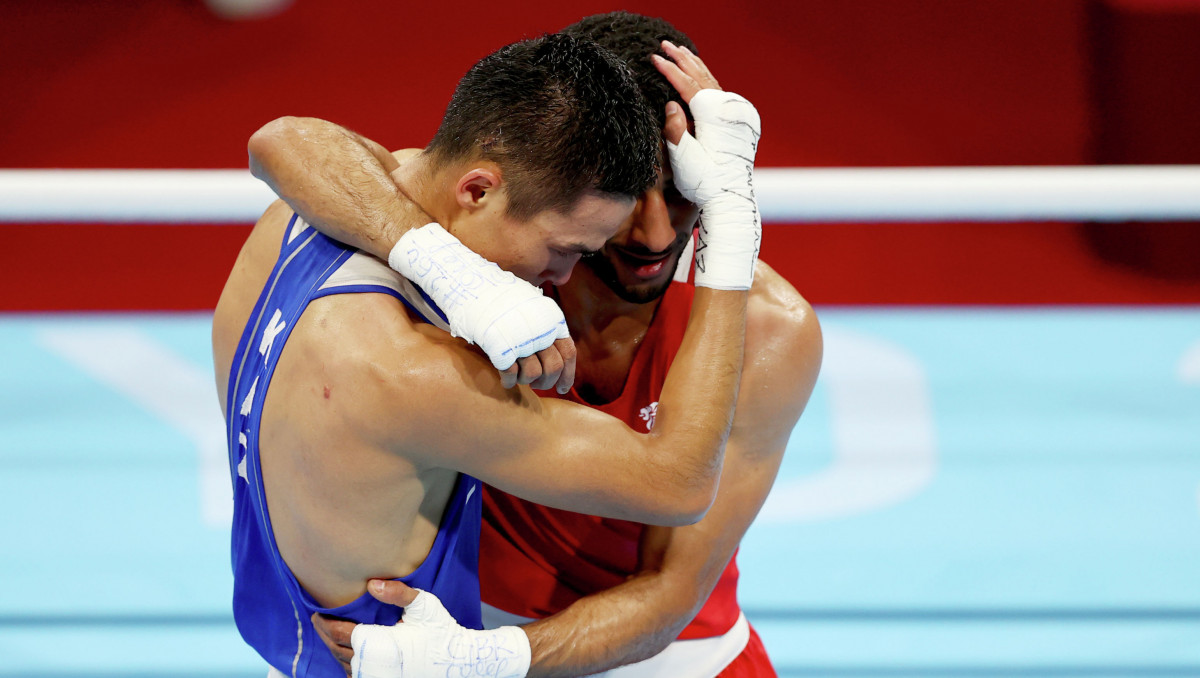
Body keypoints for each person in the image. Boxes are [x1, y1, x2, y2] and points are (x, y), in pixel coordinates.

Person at [259, 13, 819, 677]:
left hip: (667, 657)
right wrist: (453, 273)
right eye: (629, 201)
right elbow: (288, 142)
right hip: (438, 628)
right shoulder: (500, 239)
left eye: (685, 193)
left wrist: (488, 660)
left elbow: (672, 587)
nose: (656, 234)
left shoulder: (770, 330)